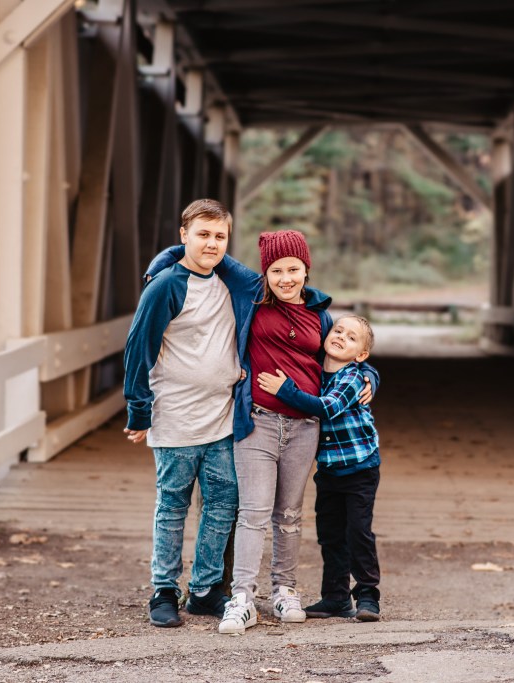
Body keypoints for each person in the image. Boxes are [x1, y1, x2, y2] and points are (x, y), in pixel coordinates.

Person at [145, 230, 377, 635]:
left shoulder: (320, 314)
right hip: (258, 422)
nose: (285, 278)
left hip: (305, 428)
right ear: (264, 272)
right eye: (276, 270)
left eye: (294, 269)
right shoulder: (252, 294)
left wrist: (372, 374)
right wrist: (155, 272)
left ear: (306, 269)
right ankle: (243, 597)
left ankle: (285, 589)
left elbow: (346, 357)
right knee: (252, 515)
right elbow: (200, 251)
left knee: (288, 515)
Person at [122, 199, 243, 628]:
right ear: (183, 236)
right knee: (172, 504)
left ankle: (207, 589)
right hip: (175, 415)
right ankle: (164, 590)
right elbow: (139, 347)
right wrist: (139, 411)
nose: (211, 244)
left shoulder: (235, 283)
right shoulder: (166, 285)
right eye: (203, 234)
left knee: (223, 503)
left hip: (224, 415)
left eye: (219, 236)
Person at [256, 314, 382, 622]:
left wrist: (285, 390)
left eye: (352, 338)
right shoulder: (314, 369)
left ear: (361, 355)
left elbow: (327, 407)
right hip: (328, 470)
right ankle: (336, 597)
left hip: (359, 468)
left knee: (357, 532)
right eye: (338, 330)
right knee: (330, 534)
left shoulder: (353, 377)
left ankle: (368, 594)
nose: (341, 337)